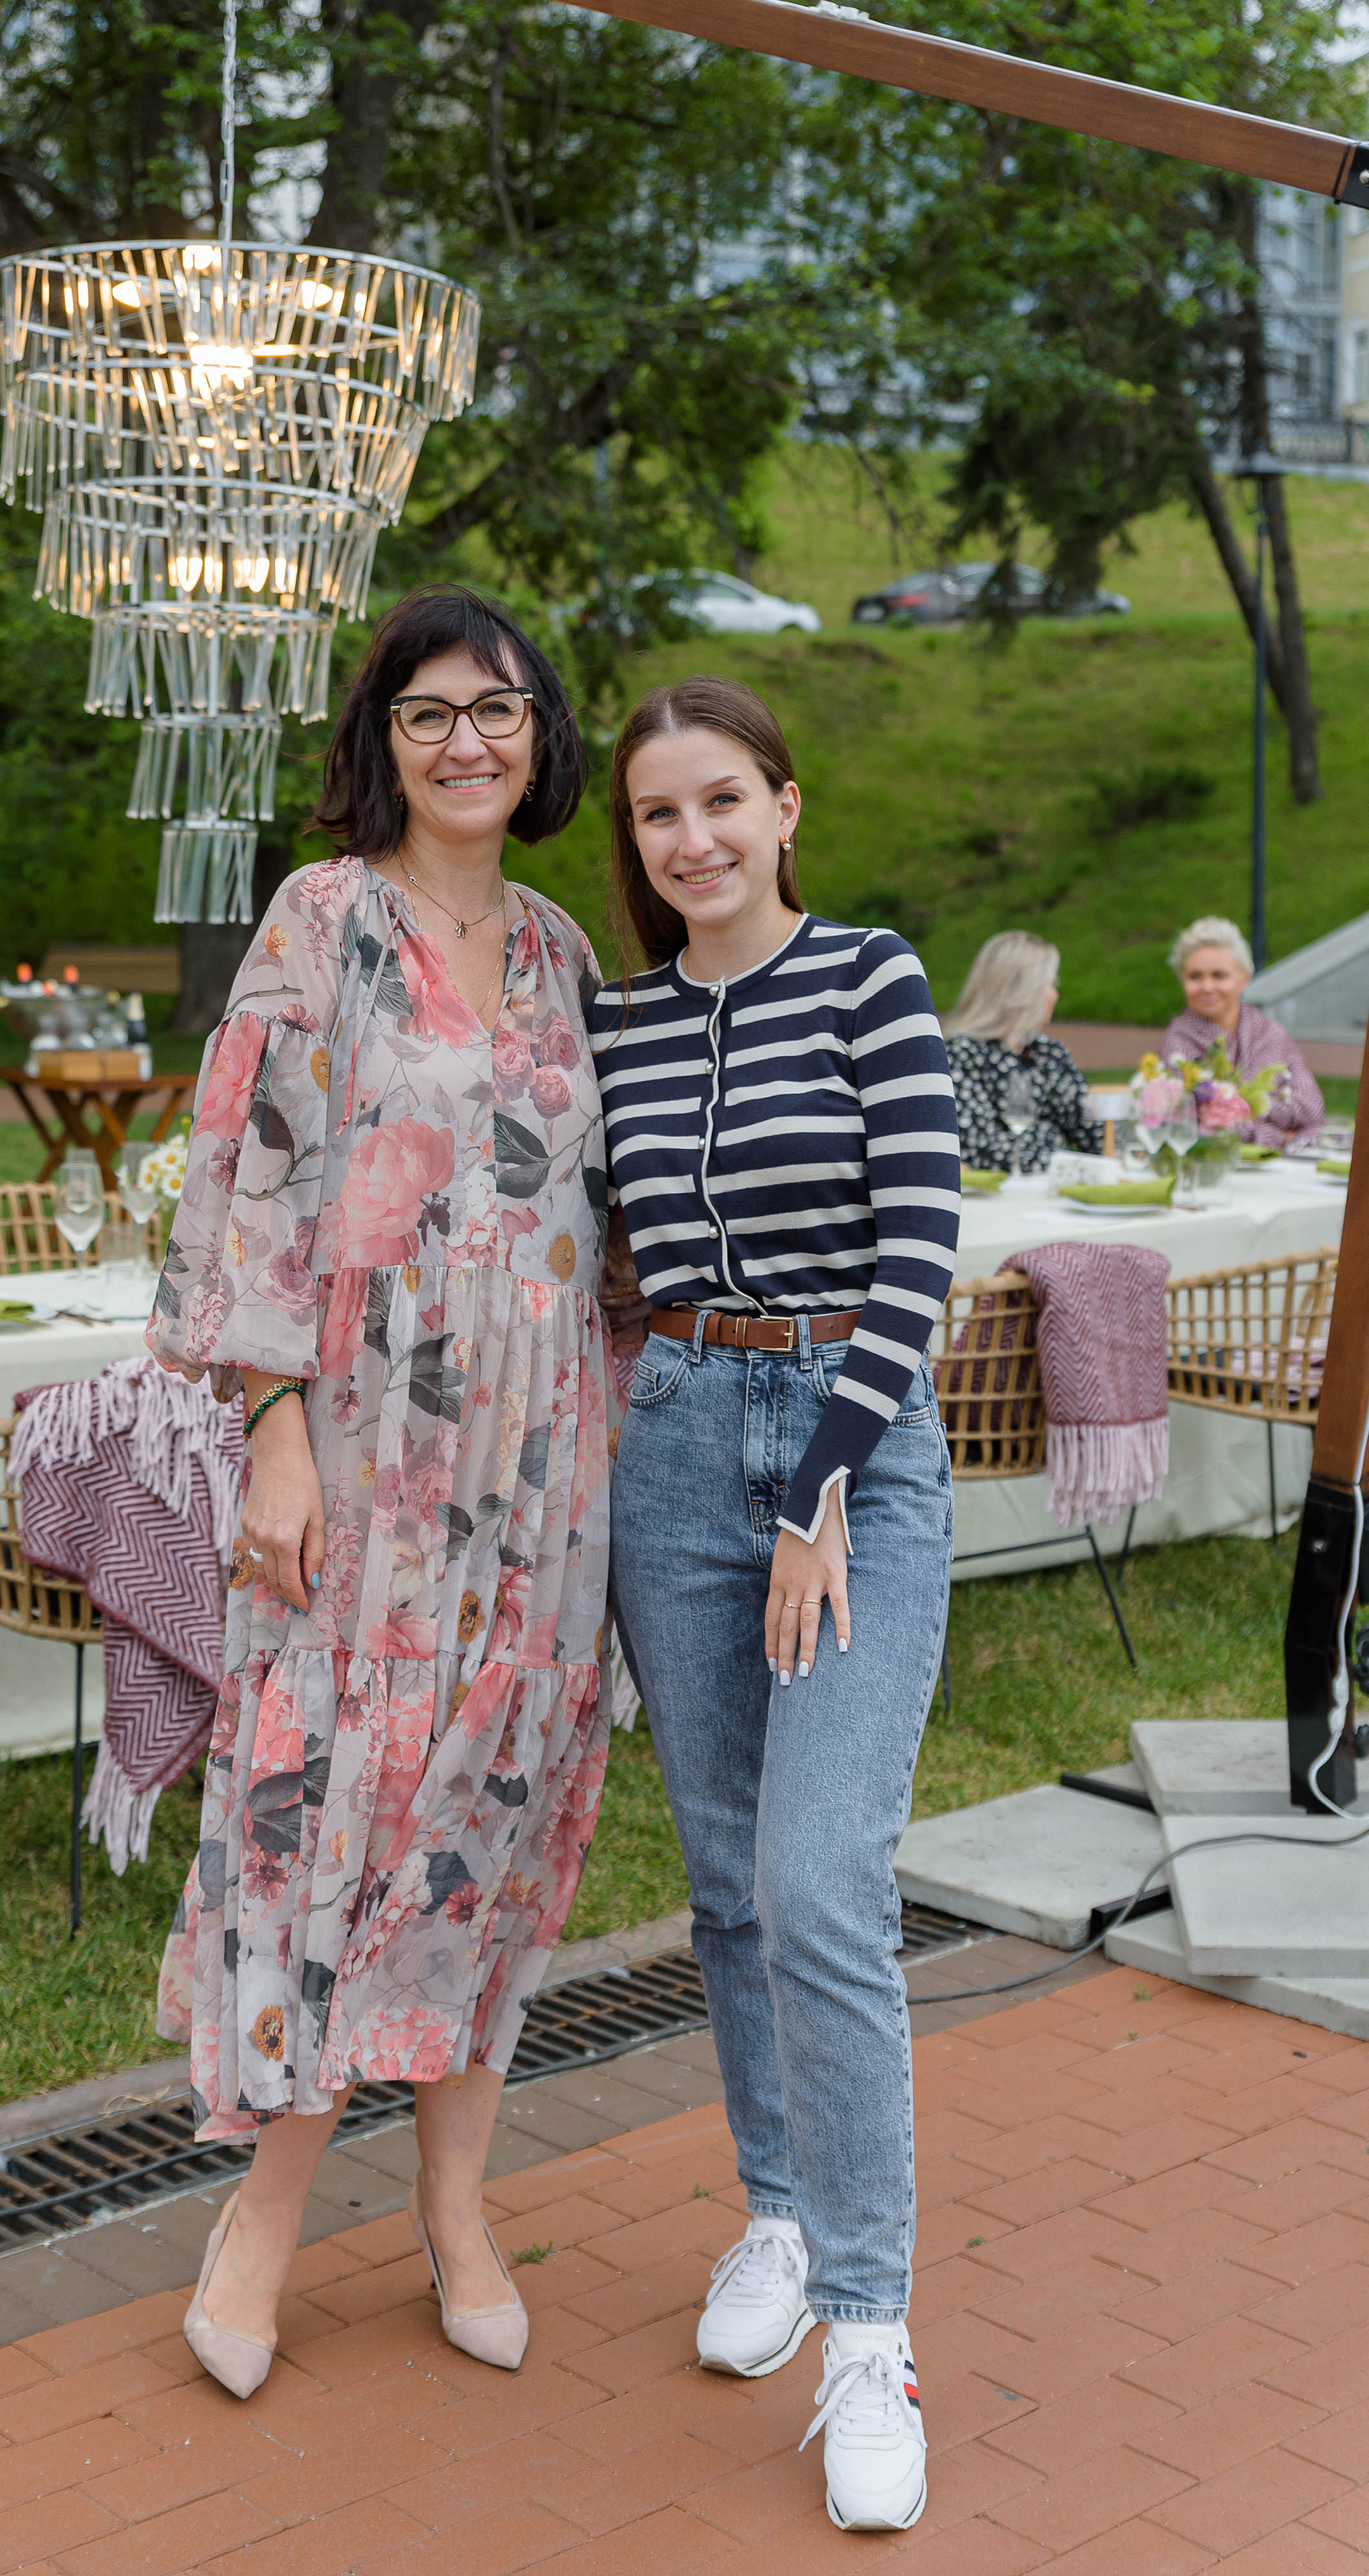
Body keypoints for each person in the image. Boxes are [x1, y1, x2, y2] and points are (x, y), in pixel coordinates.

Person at [147, 584, 613, 2397]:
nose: (465, 740)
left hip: (543, 1474)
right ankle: (261, 2221)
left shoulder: (565, 952)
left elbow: (606, 1227)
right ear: (383, 742)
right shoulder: (323, 921)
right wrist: (271, 1428)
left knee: (489, 1818)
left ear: (537, 732)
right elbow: (249, 1182)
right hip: (361, 1463)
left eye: (496, 708)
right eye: (429, 712)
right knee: (328, 1819)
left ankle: (454, 2211)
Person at [587, 676, 960, 2536]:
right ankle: (780, 2216)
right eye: (658, 813)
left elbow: (920, 1249)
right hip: (670, 1444)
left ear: (783, 807)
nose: (692, 839)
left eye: (720, 799)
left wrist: (815, 1483)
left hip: (853, 1458)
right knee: (727, 1881)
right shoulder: (614, 1025)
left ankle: (870, 2335)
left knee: (820, 1881)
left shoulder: (870, 981)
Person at [1163, 915, 1326, 1148]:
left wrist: (1248, 1107)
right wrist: (1281, 1137)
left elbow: (1312, 1111)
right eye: (1195, 977)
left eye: (1219, 975)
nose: (1207, 987)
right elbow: (1207, 1127)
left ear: (1244, 979)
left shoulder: (1269, 1033)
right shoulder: (1178, 1044)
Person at [943, 930, 1101, 1171]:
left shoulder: (1048, 1053)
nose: (1055, 995)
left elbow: (1097, 1132)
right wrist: (1051, 1137)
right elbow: (980, 1149)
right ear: (1024, 991)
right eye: (1050, 984)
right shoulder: (961, 1054)